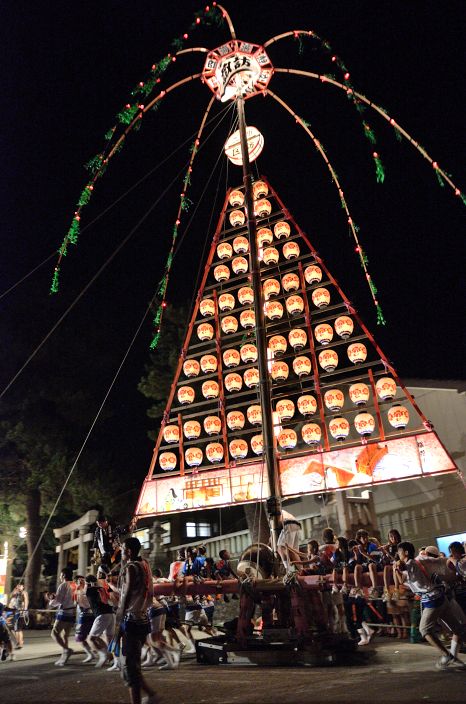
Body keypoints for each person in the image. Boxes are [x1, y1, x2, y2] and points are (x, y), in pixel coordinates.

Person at [394, 541, 465, 669]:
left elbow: (409, 573)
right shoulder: (420, 560)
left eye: (399, 552)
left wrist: (400, 567)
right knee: (458, 629)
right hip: (441, 598)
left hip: (432, 601)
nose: (398, 555)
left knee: (424, 629)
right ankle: (452, 657)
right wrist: (397, 569)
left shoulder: (411, 563)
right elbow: (402, 579)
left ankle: (447, 655)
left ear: (405, 553)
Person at [116, 536, 158, 704]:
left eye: (123, 549)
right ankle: (150, 694)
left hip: (131, 620)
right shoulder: (145, 564)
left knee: (129, 667)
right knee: (134, 664)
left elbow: (125, 597)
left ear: (128, 551)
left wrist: (118, 622)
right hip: (143, 619)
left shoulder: (131, 568)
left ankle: (141, 700)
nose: (121, 552)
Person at [86, 566, 116, 668]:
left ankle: (104, 655)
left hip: (102, 614)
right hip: (111, 613)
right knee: (109, 638)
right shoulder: (106, 586)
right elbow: (111, 599)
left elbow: (81, 596)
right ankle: (113, 659)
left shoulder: (90, 590)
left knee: (91, 638)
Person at [46, 567, 76, 666]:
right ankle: (64, 658)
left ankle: (66, 650)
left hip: (64, 613)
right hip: (72, 613)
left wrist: (51, 600)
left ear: (63, 575)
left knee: (54, 633)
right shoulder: (75, 585)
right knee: (65, 636)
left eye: (60, 575)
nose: (59, 577)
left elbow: (58, 601)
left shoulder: (63, 585)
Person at [74, 575, 95, 663]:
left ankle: (94, 653)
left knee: (80, 637)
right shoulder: (77, 591)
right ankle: (92, 653)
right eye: (79, 581)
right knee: (88, 636)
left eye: (82, 580)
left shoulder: (86, 590)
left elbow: (79, 602)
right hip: (85, 615)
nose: (81, 582)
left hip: (86, 615)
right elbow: (75, 603)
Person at [8, 583, 29, 649]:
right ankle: (18, 641)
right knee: (13, 628)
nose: (19, 587)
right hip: (15, 612)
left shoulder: (24, 593)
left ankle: (20, 643)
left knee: (18, 629)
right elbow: (10, 596)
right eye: (18, 585)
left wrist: (25, 610)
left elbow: (26, 601)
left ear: (23, 587)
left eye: (20, 586)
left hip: (20, 612)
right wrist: (15, 589)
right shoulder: (17, 593)